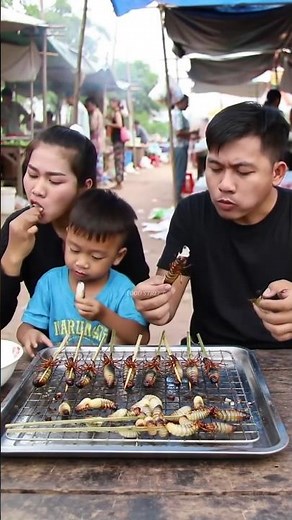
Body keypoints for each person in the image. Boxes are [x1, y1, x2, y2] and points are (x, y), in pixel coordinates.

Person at [133, 102, 292, 349]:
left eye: (243, 171)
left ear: (277, 173)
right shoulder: (192, 213)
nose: (224, 184)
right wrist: (154, 302)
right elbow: (168, 293)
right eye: (215, 167)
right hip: (210, 356)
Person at [0, 125, 149, 330]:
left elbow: (140, 313)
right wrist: (12, 256)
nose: (37, 190)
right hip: (50, 354)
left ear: (85, 187)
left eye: (54, 180)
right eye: (32, 174)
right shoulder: (18, 228)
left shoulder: (114, 228)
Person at [16, 189, 149, 357]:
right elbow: (25, 327)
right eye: (74, 249)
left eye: (95, 256)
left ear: (118, 256)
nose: (82, 262)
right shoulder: (50, 282)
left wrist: (104, 315)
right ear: (66, 239)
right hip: (59, 368)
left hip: (104, 371)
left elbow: (141, 337)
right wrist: (28, 334)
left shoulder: (122, 289)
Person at [171, 95, 196, 202]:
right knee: (179, 173)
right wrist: (192, 133)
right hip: (179, 147)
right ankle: (177, 197)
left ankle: (178, 195)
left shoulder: (177, 114)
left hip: (180, 147)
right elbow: (179, 133)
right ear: (180, 102)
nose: (188, 105)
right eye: (186, 102)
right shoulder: (178, 115)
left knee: (180, 172)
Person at [105, 97, 125, 189]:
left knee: (118, 160)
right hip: (118, 140)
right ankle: (119, 181)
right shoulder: (117, 113)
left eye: (112, 102)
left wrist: (109, 124)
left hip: (118, 140)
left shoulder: (117, 113)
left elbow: (119, 125)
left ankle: (119, 182)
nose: (111, 104)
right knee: (119, 160)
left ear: (116, 103)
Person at [85, 97, 105, 184]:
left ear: (93, 105)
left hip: (96, 139)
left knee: (97, 160)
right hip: (98, 139)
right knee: (98, 159)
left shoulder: (95, 114)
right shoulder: (98, 113)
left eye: (89, 105)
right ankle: (99, 178)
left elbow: (93, 127)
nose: (88, 108)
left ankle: (99, 179)